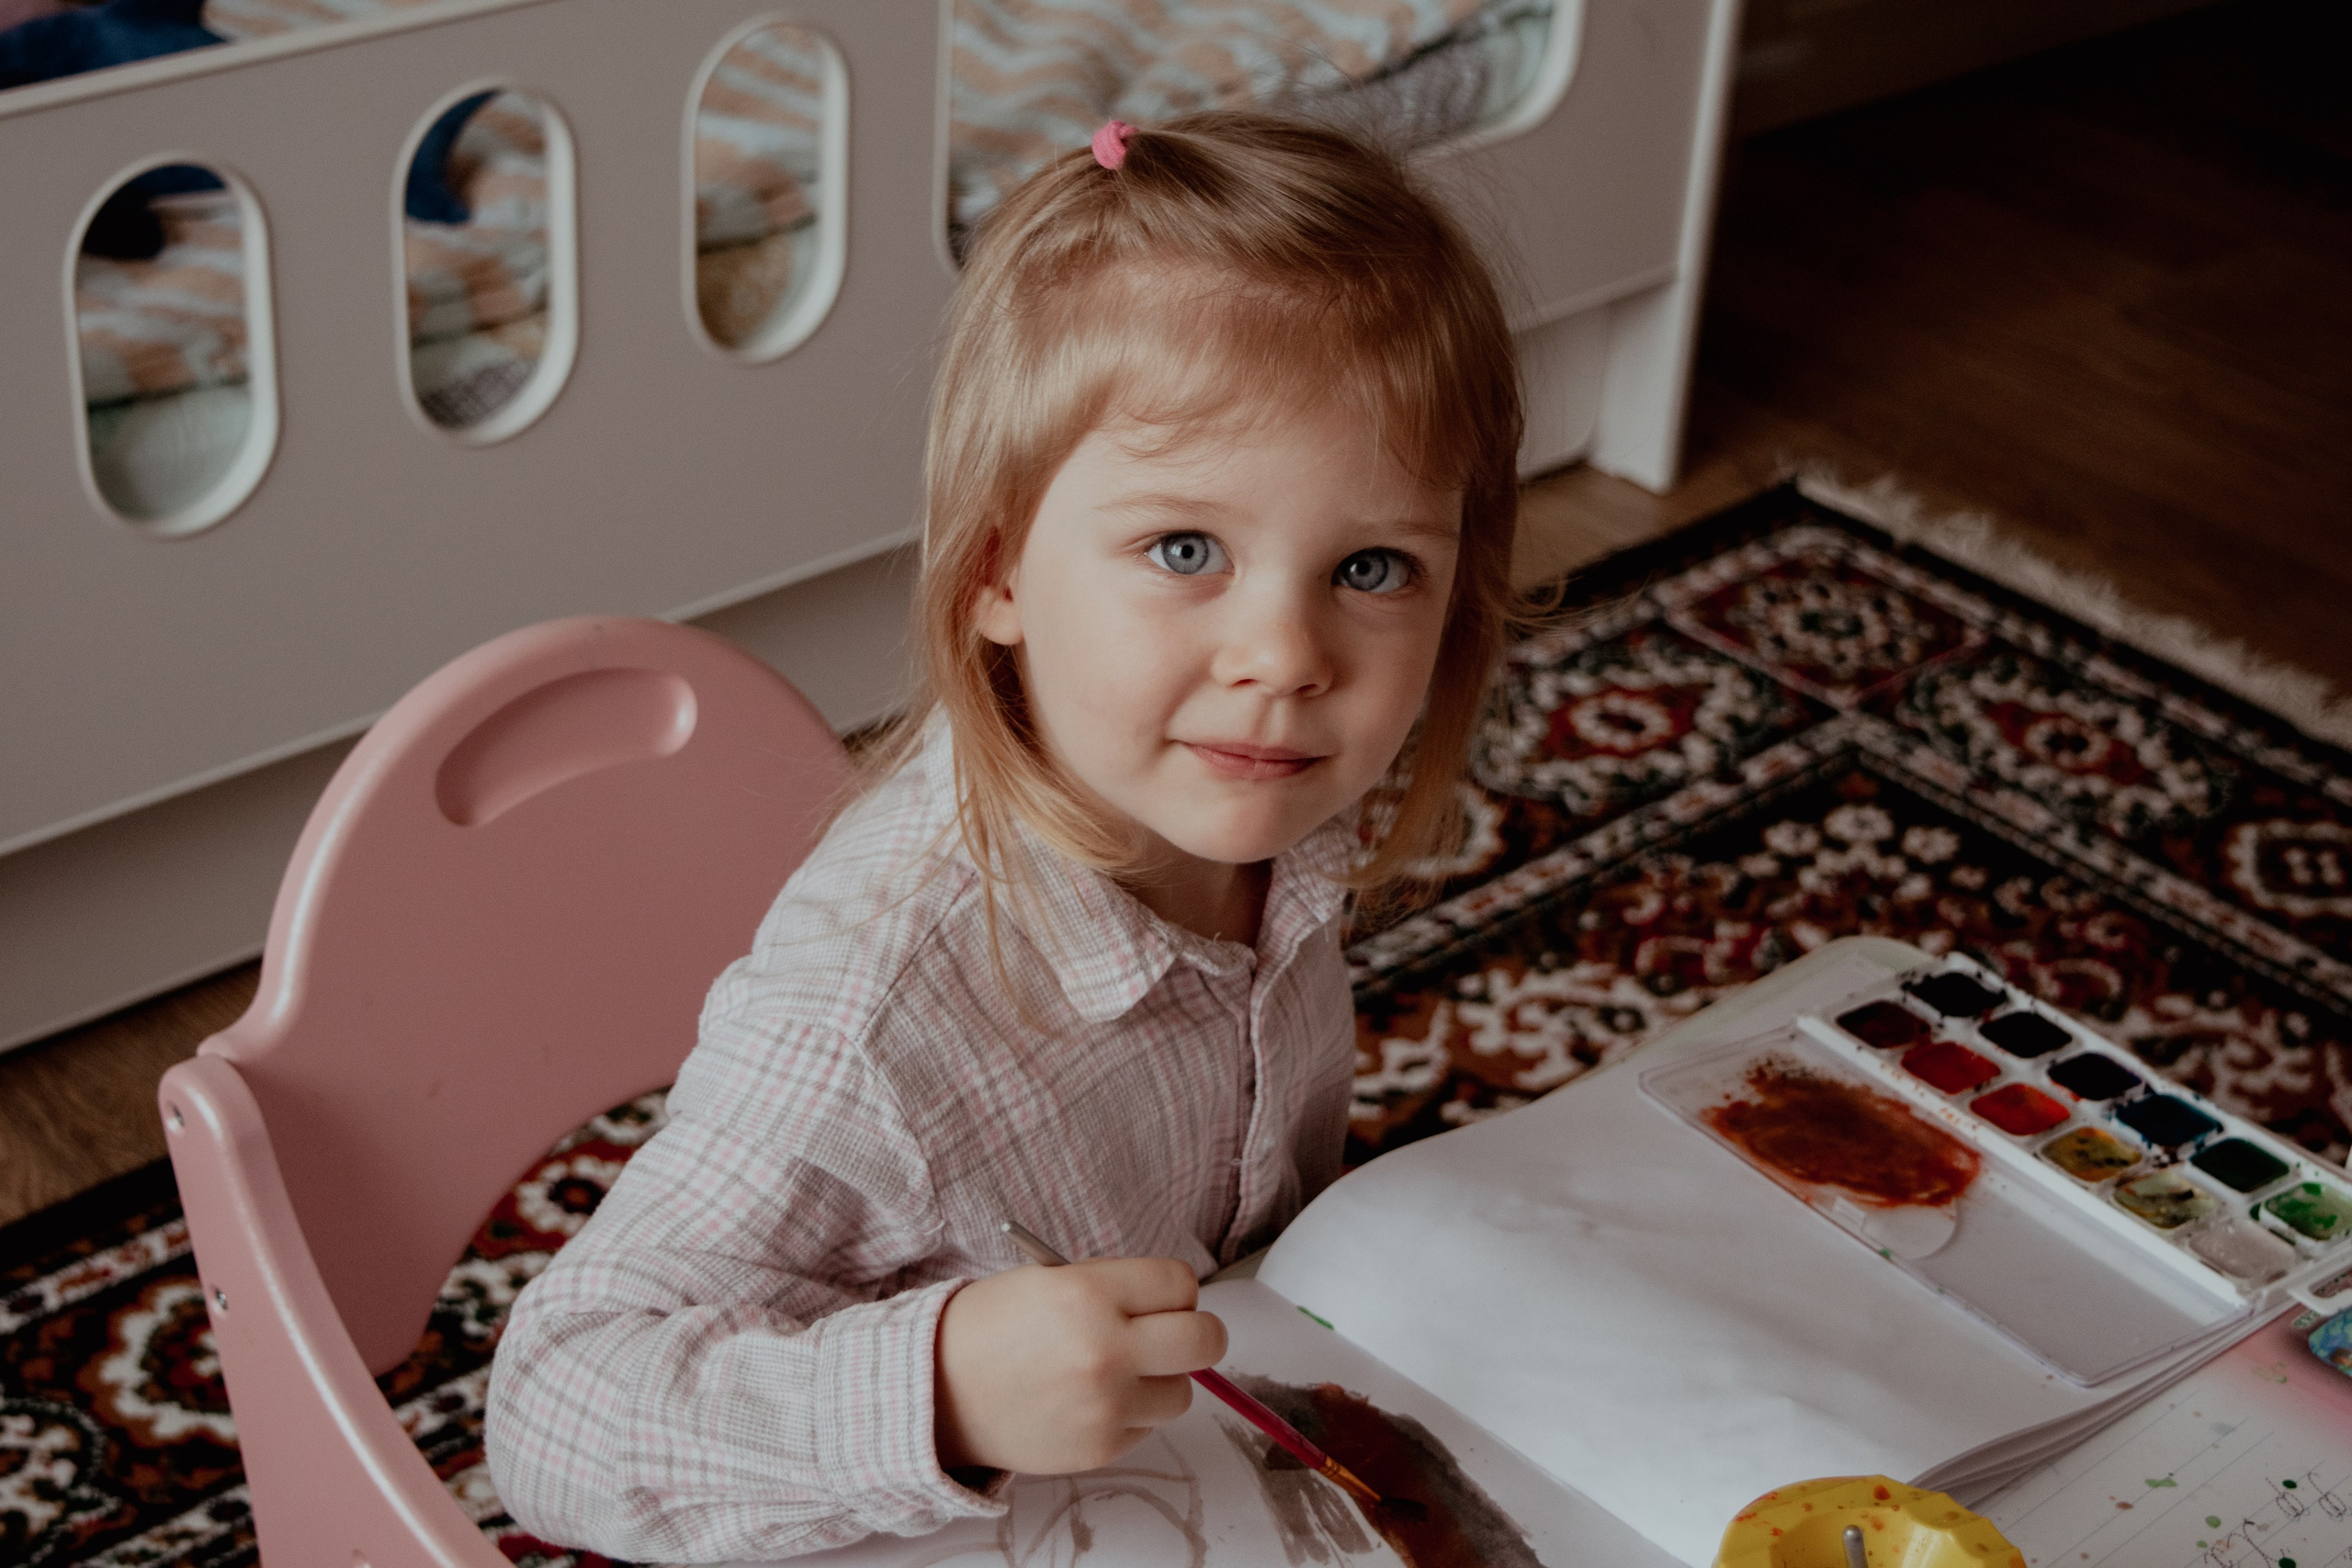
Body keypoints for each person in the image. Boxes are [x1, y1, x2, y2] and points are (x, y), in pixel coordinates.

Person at [483, 109, 1522, 1560]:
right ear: (997, 570)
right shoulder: (876, 1008)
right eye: (1186, 550)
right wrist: (943, 1393)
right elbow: (553, 1413)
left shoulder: (1258, 811)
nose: (1287, 656)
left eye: (1371, 567)